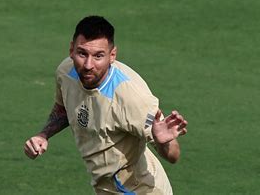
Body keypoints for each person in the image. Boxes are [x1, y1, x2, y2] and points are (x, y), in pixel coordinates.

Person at [24, 15, 188, 194]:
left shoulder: (131, 98)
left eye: (98, 56)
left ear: (112, 55)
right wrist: (44, 135)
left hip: (141, 189)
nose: (88, 65)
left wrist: (163, 142)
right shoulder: (66, 72)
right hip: (106, 187)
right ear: (71, 49)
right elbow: (65, 107)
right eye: (82, 54)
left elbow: (173, 155)